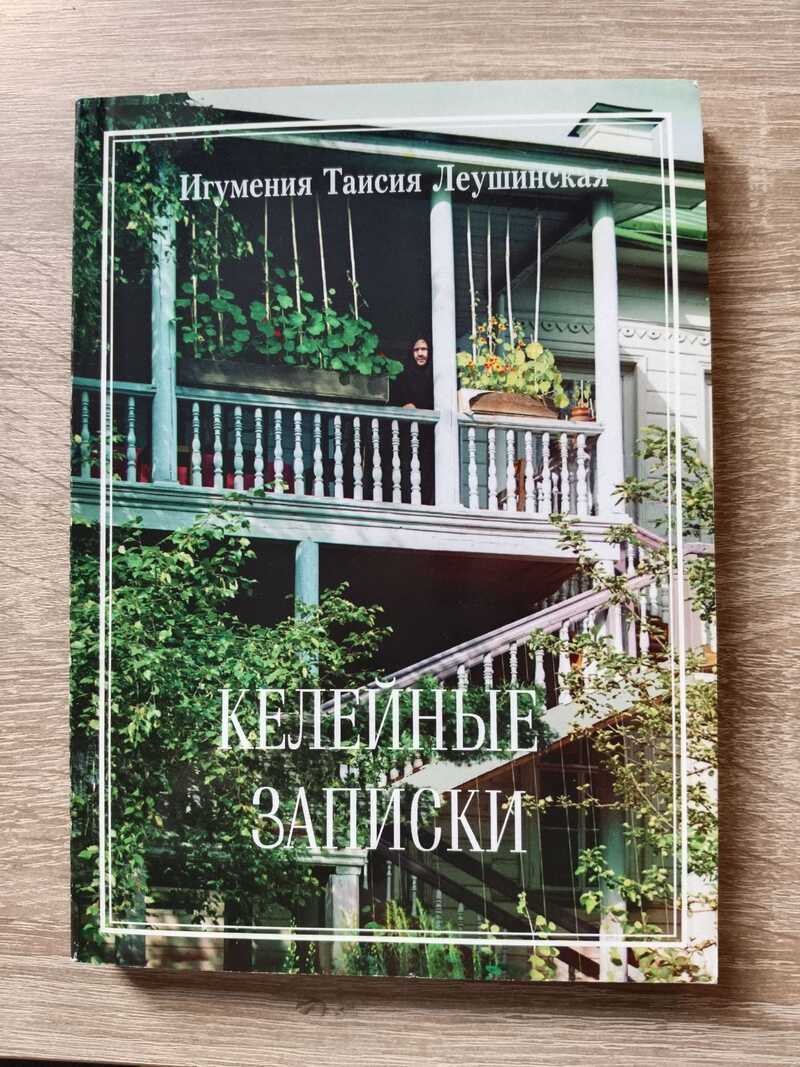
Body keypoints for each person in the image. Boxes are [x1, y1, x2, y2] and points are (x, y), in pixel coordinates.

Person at [389, 335, 435, 503]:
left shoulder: (435, 377)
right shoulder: (404, 376)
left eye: (424, 349)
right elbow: (394, 399)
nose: (420, 354)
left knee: (428, 469)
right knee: (406, 468)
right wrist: (404, 406)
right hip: (407, 435)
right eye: (416, 350)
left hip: (430, 436)